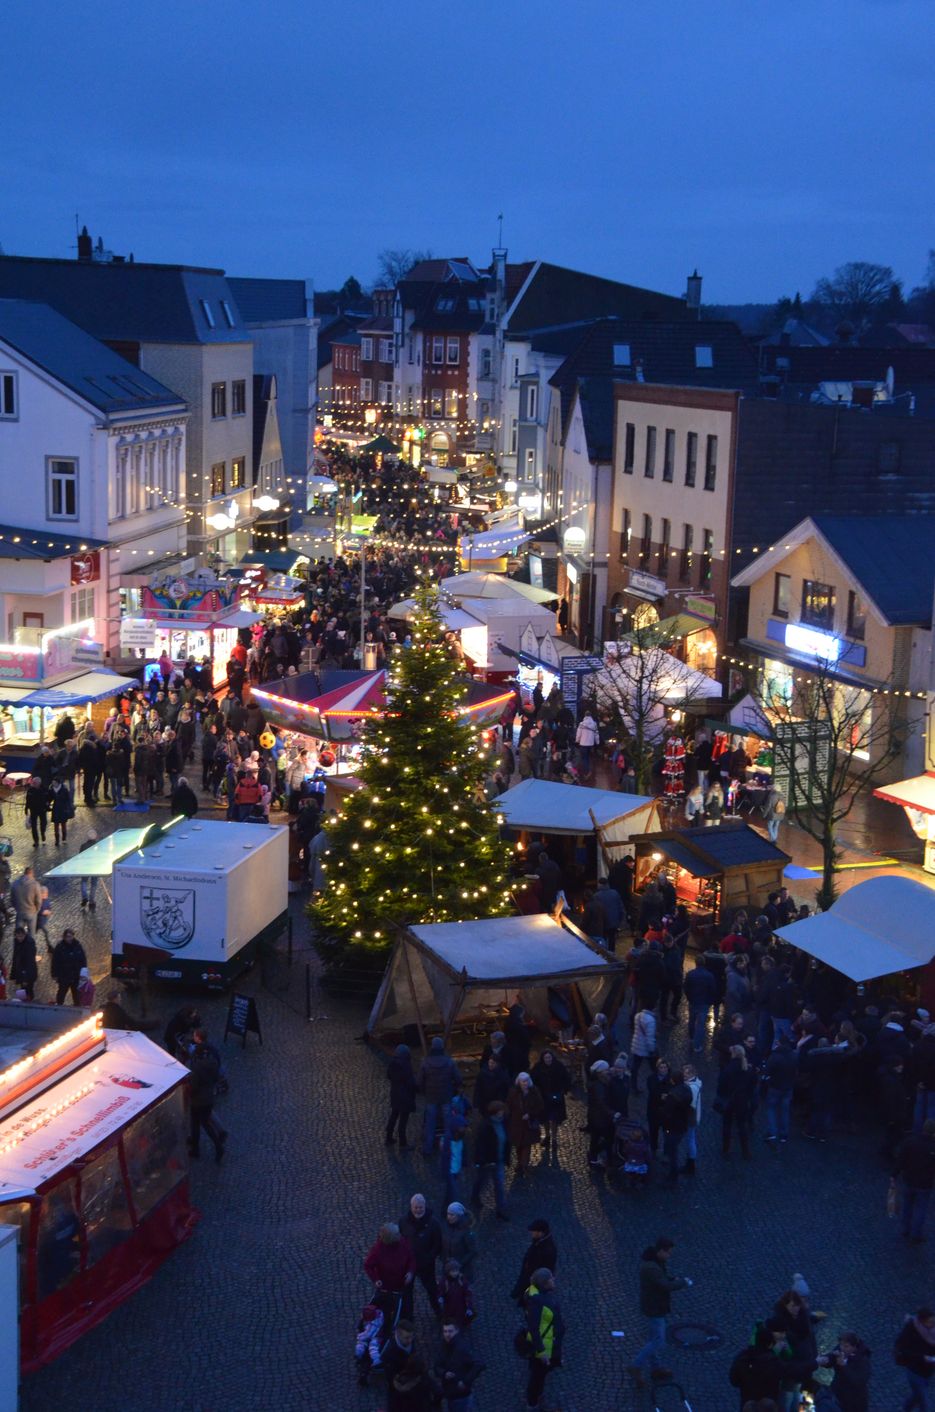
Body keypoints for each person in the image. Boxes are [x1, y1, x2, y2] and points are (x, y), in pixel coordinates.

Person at [627, 1236, 692, 1388]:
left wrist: (672, 1278)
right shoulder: (652, 1267)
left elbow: (661, 1279)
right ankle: (636, 1365)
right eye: (668, 1253)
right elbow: (665, 1285)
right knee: (658, 1341)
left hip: (654, 1305)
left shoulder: (655, 1263)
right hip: (654, 1308)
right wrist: (683, 1282)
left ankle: (655, 1368)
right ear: (661, 1251)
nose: (669, 1256)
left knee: (653, 1338)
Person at [523, 1268, 564, 1412]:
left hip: (548, 1345)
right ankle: (533, 1404)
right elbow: (534, 1329)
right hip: (543, 1348)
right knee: (537, 1377)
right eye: (551, 1279)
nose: (554, 1280)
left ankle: (537, 1400)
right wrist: (541, 1352)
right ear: (545, 1284)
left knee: (540, 1376)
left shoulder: (541, 1297)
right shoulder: (538, 1302)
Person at [892, 1119, 935, 1244]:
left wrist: (894, 1174)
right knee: (921, 1208)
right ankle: (916, 1234)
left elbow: (901, 1160)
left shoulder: (910, 1142)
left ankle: (905, 1229)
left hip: (908, 1179)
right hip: (925, 1183)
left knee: (907, 1205)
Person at [399, 1193, 442, 1314]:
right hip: (408, 1265)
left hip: (426, 1265)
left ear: (424, 1206)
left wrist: (429, 1258)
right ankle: (407, 1316)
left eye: (420, 1207)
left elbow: (437, 1244)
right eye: (416, 1207)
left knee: (432, 1290)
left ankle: (439, 1312)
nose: (418, 1210)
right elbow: (400, 1241)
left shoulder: (434, 1223)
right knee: (407, 1291)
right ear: (411, 1206)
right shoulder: (403, 1221)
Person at [188, 1034, 227, 1162]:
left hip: (198, 1100)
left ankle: (212, 1147)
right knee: (202, 1122)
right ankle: (196, 1146)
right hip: (209, 1098)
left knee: (200, 1124)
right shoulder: (213, 1063)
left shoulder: (196, 1067)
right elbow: (216, 1079)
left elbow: (194, 1085)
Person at [419, 1037, 461, 1156]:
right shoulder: (449, 1062)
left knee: (430, 1123)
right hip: (446, 1096)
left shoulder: (426, 1062)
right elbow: (458, 1079)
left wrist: (425, 1092)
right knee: (448, 1123)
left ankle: (428, 1148)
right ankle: (448, 1146)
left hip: (431, 1097)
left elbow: (420, 1081)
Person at [470, 1101, 511, 1219]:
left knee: (499, 1186)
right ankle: (475, 1197)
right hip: (487, 1161)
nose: (502, 1113)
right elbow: (480, 1145)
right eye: (500, 1111)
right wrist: (482, 1160)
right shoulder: (485, 1126)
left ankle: (501, 1210)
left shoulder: (503, 1123)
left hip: (499, 1160)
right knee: (481, 1181)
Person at [718, 1044, 758, 1158]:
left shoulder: (728, 1069)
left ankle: (726, 1150)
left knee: (727, 1125)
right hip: (742, 1101)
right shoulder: (748, 1069)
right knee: (742, 1125)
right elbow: (753, 1084)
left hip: (729, 1100)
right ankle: (745, 1151)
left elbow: (721, 1085)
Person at [815, 1331, 871, 1412]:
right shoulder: (841, 1349)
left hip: (853, 1400)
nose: (842, 1348)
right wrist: (826, 1360)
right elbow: (832, 1357)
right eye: (841, 1345)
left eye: (846, 1346)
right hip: (838, 1392)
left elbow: (857, 1381)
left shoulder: (863, 1361)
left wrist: (843, 1366)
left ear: (854, 1347)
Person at [434, 1320, 483, 1412]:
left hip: (460, 1396)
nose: (447, 1334)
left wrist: (465, 1381)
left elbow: (479, 1364)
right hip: (451, 1393)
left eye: (450, 1331)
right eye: (445, 1331)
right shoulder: (444, 1345)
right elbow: (437, 1366)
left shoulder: (463, 1348)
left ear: (457, 1331)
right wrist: (444, 1373)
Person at [894, 1307, 935, 1411]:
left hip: (929, 1370)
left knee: (917, 1395)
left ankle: (905, 1408)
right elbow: (901, 1349)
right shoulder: (911, 1329)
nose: (933, 1324)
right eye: (930, 1322)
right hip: (914, 1370)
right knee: (924, 1403)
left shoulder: (933, 1330)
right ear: (921, 1322)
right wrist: (922, 1357)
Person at [530, 1049, 570, 1153]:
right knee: (545, 1119)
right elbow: (533, 1081)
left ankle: (554, 1138)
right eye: (546, 1058)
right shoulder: (538, 1068)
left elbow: (566, 1079)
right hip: (543, 1098)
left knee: (555, 1119)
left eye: (549, 1057)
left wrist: (563, 1090)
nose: (548, 1060)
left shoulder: (559, 1066)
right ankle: (547, 1135)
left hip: (556, 1097)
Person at [364, 1222, 416, 1299]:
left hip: (404, 1284)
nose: (400, 1235)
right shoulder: (378, 1250)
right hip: (387, 1287)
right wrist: (376, 1279)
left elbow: (411, 1258)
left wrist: (410, 1272)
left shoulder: (404, 1242)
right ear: (390, 1238)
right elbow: (368, 1265)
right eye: (397, 1234)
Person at [511, 1218, 557, 1304]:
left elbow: (542, 1269)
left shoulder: (546, 1249)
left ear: (541, 1233)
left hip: (534, 1277)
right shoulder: (540, 1243)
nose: (531, 1233)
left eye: (533, 1231)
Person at [507, 1072, 545, 1176]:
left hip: (529, 1124)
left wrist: (531, 1114)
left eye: (526, 1081)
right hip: (517, 1123)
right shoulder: (514, 1092)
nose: (525, 1083)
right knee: (519, 1145)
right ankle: (520, 1163)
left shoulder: (534, 1092)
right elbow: (509, 1107)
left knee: (527, 1145)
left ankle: (524, 1164)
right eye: (523, 1081)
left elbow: (539, 1106)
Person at [386, 1043, 417, 1149]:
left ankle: (388, 1137)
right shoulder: (406, 1066)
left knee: (393, 1116)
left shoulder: (392, 1064)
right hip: (405, 1097)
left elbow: (389, 1075)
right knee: (403, 1120)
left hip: (395, 1095)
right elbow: (411, 1082)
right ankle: (403, 1143)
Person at [684, 959, 717, 1054]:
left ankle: (691, 1037)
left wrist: (689, 998)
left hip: (693, 1001)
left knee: (692, 1020)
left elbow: (686, 988)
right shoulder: (709, 976)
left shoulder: (691, 974)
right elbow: (712, 990)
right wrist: (709, 1001)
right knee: (700, 1024)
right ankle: (697, 1045)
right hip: (704, 1003)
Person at [440, 1202, 476, 1280]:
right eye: (448, 1214)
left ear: (459, 1216)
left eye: (452, 1215)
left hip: (461, 1270)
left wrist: (460, 1263)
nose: (449, 1217)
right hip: (447, 1267)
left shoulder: (466, 1230)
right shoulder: (445, 1226)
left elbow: (473, 1251)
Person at [50, 929, 87, 1005]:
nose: (69, 938)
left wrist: (84, 973)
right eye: (67, 937)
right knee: (61, 993)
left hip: (75, 975)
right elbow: (55, 961)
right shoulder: (60, 947)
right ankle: (59, 1007)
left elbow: (83, 960)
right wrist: (55, 974)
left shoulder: (78, 946)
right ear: (64, 937)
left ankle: (77, 1009)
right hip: (64, 975)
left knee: (76, 995)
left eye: (70, 936)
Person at [630, 1005, 657, 1091]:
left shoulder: (637, 1015)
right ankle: (657, 1084)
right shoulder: (651, 1020)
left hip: (636, 1045)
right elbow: (649, 1039)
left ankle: (634, 1086)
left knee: (635, 1068)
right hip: (645, 1048)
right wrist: (652, 1049)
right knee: (655, 1068)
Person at [11, 866, 42, 938]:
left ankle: (18, 948)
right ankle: (30, 948)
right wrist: (37, 910)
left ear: (24, 873)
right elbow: (39, 900)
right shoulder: (35, 884)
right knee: (31, 935)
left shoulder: (15, 883)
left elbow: (12, 900)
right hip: (31, 912)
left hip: (20, 912)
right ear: (31, 873)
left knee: (18, 934)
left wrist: (17, 908)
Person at [9, 925, 37, 1001]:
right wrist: (13, 974)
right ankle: (25, 1003)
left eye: (21, 936)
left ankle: (28, 1004)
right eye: (18, 936)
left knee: (28, 990)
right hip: (21, 971)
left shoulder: (29, 943)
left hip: (28, 973)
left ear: (24, 935)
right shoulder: (17, 942)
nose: (19, 938)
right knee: (22, 990)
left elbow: (30, 962)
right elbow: (15, 958)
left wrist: (25, 979)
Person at [24, 777, 49, 847]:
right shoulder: (30, 790)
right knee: (34, 827)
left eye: (35, 783)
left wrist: (47, 805)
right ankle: (36, 841)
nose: (33, 784)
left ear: (39, 783)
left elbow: (49, 798)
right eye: (33, 782)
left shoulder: (44, 789)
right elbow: (27, 800)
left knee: (43, 824)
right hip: (33, 810)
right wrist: (26, 808)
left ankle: (43, 834)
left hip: (42, 810)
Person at [49, 778, 74, 846]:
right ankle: (57, 840)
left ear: (58, 783)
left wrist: (68, 808)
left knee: (63, 825)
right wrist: (47, 804)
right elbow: (49, 798)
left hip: (63, 809)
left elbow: (68, 800)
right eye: (52, 783)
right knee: (56, 826)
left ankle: (64, 839)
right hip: (56, 809)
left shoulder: (64, 790)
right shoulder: (52, 790)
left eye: (54, 782)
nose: (53, 784)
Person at [78, 831, 100, 911]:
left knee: (84, 882)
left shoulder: (83, 846)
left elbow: (80, 856)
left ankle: (84, 897)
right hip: (95, 868)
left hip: (85, 867)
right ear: (95, 836)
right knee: (93, 884)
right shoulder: (98, 846)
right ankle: (91, 901)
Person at [575, 711, 599, 776]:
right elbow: (596, 733)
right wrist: (597, 742)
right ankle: (588, 770)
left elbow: (578, 734)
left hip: (583, 744)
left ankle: (586, 772)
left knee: (583, 758)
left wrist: (577, 740)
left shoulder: (581, 724)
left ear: (585, 715)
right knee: (588, 758)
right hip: (591, 744)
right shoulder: (594, 724)